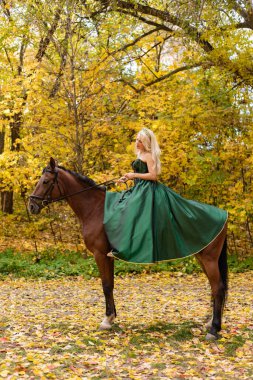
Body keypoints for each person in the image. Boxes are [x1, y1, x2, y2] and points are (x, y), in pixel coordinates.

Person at [103, 128, 228, 264]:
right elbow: (140, 173)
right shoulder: (140, 154)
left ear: (146, 142)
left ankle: (128, 249)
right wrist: (127, 177)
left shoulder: (149, 155)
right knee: (122, 208)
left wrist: (134, 175)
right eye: (137, 139)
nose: (137, 142)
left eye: (140, 140)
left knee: (132, 212)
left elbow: (153, 176)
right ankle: (120, 245)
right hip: (139, 188)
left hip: (148, 191)